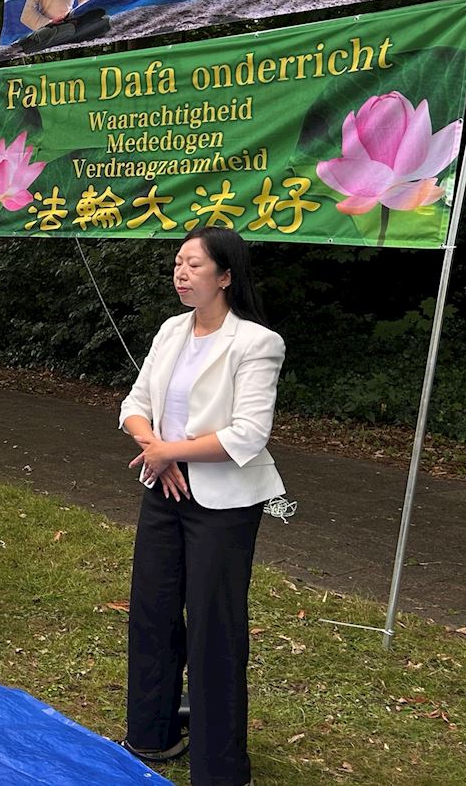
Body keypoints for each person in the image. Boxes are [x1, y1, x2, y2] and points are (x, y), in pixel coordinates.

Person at [118, 226, 286, 786]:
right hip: (162, 485)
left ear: (226, 276)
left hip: (223, 500)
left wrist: (170, 451)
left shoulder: (257, 342)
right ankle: (152, 733)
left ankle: (220, 767)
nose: (181, 273)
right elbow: (135, 403)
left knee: (214, 626)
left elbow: (248, 434)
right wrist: (156, 449)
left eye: (194, 264)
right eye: (177, 263)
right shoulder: (171, 330)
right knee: (153, 611)